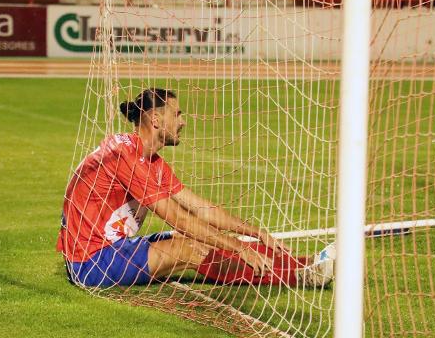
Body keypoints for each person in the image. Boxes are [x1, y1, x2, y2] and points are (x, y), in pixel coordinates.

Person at [57, 88, 335, 288]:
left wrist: (256, 233)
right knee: (192, 249)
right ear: (155, 120)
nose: (182, 122)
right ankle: (300, 277)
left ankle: (307, 263)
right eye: (176, 114)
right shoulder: (126, 157)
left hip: (112, 248)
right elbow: (179, 217)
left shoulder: (150, 160)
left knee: (201, 241)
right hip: (91, 263)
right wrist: (239, 248)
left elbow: (200, 208)